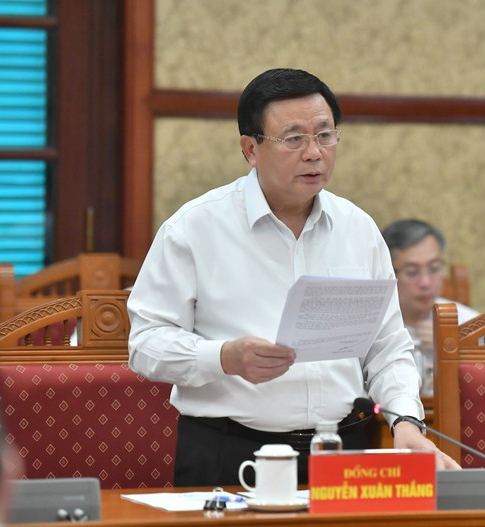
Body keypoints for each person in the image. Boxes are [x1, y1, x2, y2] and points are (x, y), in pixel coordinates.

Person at [127, 68, 458, 487]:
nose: (314, 152)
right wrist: (224, 357)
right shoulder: (193, 229)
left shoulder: (359, 229)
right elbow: (145, 344)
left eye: (325, 135)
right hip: (229, 454)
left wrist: (406, 420)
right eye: (294, 138)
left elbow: (388, 346)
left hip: (343, 449)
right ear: (250, 149)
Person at [381, 219, 480, 395]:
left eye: (434, 269)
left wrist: (454, 349)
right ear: (387, 273)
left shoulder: (470, 324)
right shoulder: (375, 327)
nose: (425, 282)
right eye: (412, 272)